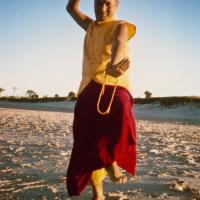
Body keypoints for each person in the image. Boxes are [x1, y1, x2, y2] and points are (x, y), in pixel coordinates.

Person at [66, 0, 137, 199]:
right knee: (86, 140)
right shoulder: (90, 26)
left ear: (117, 4)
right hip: (89, 85)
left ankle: (113, 160)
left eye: (108, 4)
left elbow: (119, 42)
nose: (102, 9)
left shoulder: (121, 25)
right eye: (98, 3)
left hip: (114, 85)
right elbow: (71, 8)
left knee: (121, 108)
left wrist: (113, 65)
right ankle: (98, 192)